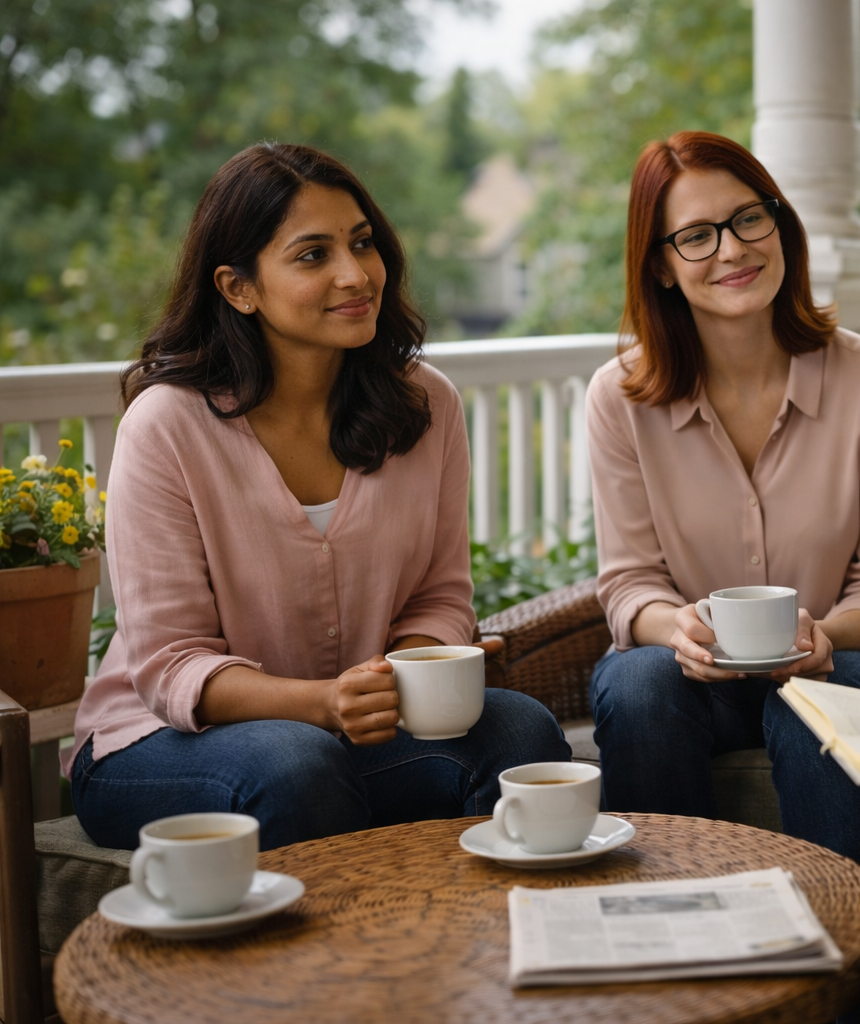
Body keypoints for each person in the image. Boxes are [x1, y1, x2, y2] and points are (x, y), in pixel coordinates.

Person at [69, 143, 570, 851]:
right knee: (296, 761)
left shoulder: (426, 405)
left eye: (362, 243)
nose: (354, 273)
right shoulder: (167, 426)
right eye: (312, 255)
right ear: (239, 288)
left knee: (522, 730)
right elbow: (171, 664)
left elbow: (440, 595)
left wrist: (414, 671)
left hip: (346, 738)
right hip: (158, 745)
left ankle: (492, 945)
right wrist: (322, 705)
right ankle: (348, 962)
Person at [586, 131, 860, 878]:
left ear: (781, 224)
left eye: (749, 219)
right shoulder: (618, 398)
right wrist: (674, 630)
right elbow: (628, 582)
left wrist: (824, 636)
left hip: (831, 661)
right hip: (689, 682)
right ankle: (664, 935)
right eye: (697, 236)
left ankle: (848, 967)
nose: (733, 250)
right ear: (663, 267)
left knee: (821, 695)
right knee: (637, 679)